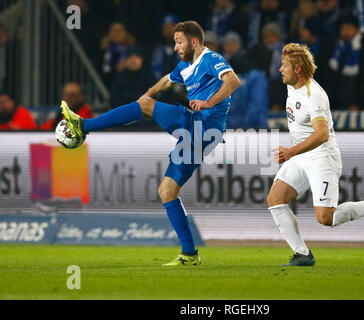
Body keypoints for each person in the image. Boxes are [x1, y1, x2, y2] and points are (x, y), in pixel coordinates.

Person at [61, 21, 240, 266]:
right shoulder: (186, 66)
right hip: (198, 135)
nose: (176, 47)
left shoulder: (210, 58)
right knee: (167, 191)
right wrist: (147, 94)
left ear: (194, 42)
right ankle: (190, 254)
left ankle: (83, 127)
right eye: (174, 42)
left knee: (145, 108)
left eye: (179, 42)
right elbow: (167, 80)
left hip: (203, 126)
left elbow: (233, 82)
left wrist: (209, 103)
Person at [266, 43, 364, 267]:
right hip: (301, 156)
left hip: (322, 157)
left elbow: (322, 135)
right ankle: (302, 254)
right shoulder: (292, 86)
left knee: (326, 218)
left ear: (298, 69)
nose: (280, 69)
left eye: (284, 65)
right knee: (275, 199)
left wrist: (290, 151)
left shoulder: (314, 95)